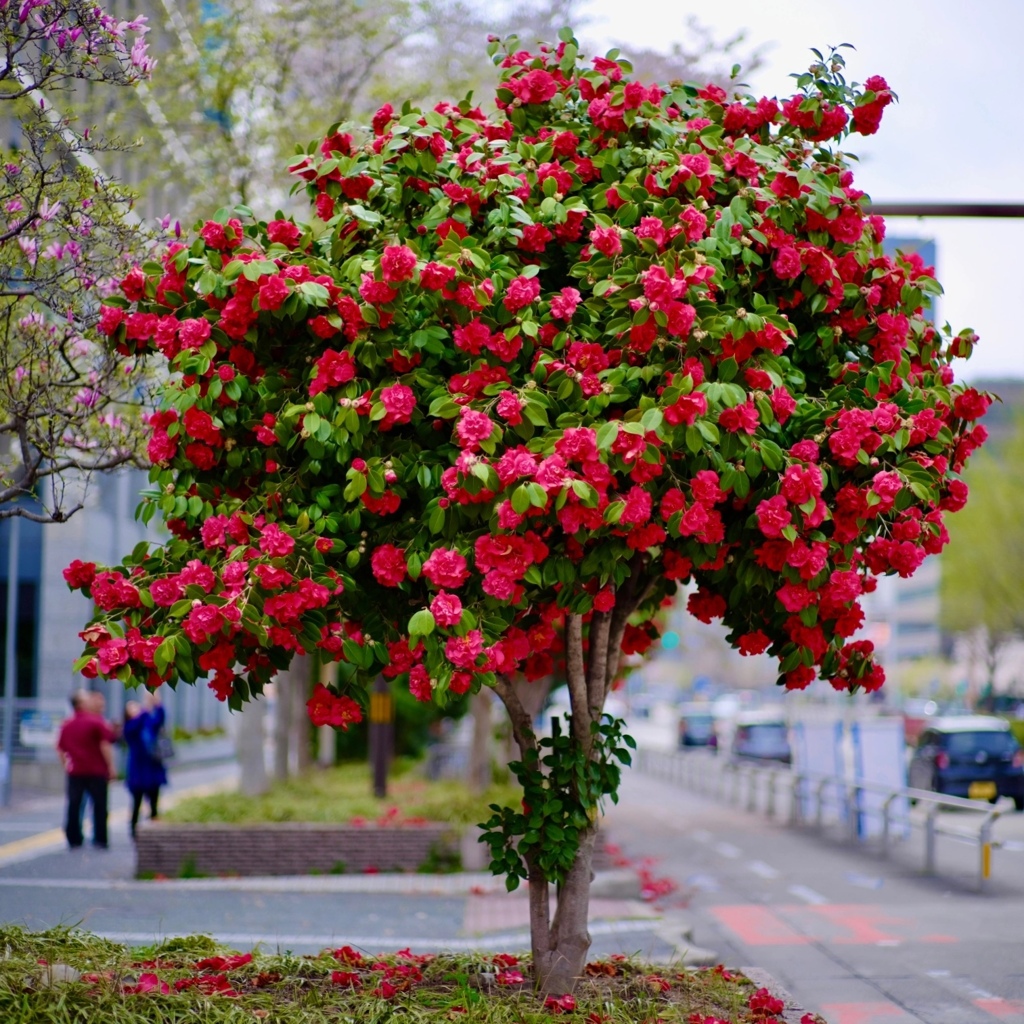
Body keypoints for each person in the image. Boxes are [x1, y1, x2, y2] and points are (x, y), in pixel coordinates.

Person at [56, 689, 116, 849]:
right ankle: (100, 839)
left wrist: (66, 766)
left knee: (74, 804)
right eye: (87, 698)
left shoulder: (66, 724)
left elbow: (60, 748)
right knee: (100, 805)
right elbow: (106, 745)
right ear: (81, 704)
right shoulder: (96, 722)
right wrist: (111, 766)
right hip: (96, 771)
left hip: (75, 771)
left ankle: (73, 838)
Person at [122, 690, 168, 839]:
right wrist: (146, 707)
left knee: (154, 803)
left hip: (152, 770)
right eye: (132, 708)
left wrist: (157, 702)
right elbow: (138, 722)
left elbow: (160, 718)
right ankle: (134, 831)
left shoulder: (147, 724)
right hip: (138, 772)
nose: (137, 709)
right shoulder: (130, 728)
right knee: (136, 804)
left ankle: (154, 829)